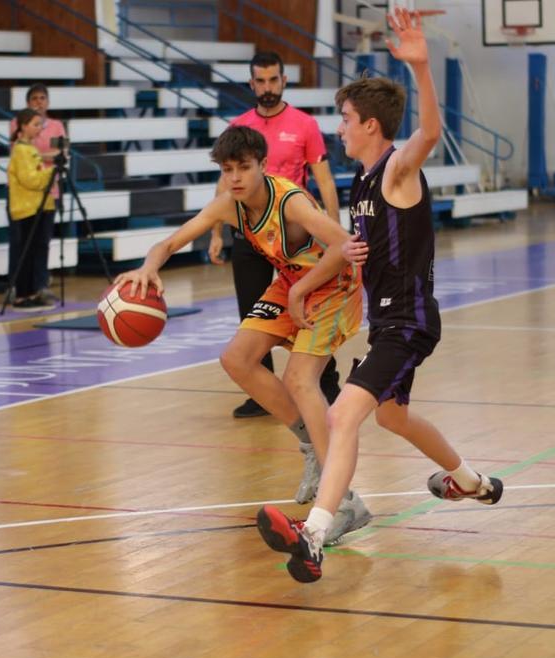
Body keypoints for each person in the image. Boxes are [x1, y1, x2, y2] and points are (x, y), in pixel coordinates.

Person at [254, 8, 503, 585]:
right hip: (390, 322)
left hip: (409, 320)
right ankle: (471, 481)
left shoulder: (395, 170)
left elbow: (432, 134)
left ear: (370, 124)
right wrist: (306, 289)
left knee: (343, 416)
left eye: (344, 118)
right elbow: (348, 249)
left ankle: (314, 535)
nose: (338, 127)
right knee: (393, 417)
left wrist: (420, 67)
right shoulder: (363, 183)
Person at [115, 125, 371, 542]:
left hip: (332, 286)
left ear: (263, 166)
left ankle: (344, 502)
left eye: (244, 168)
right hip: (292, 283)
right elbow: (171, 242)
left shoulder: (291, 203)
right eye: (228, 169)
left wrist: (303, 289)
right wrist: (149, 266)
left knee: (300, 379)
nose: (235, 177)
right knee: (236, 359)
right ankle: (311, 447)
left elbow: (347, 247)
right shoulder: (227, 206)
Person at [209, 51, 343, 421]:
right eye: (260, 81)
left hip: (296, 241)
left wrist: (332, 226)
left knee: (309, 312)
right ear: (252, 84)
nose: (267, 88)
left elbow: (324, 179)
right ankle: (261, 391)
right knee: (252, 311)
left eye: (273, 80)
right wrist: (216, 233)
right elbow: (225, 182)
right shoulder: (239, 125)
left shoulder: (304, 124)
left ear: (284, 81)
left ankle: (328, 384)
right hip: (251, 232)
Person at [7, 108, 58, 310]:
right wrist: (52, 171)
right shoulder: (20, 150)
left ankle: (32, 291)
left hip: (37, 206)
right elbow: (30, 179)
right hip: (26, 208)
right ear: (23, 126)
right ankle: (21, 295)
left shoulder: (31, 149)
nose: (39, 129)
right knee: (25, 253)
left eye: (40, 125)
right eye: (35, 125)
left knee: (35, 250)